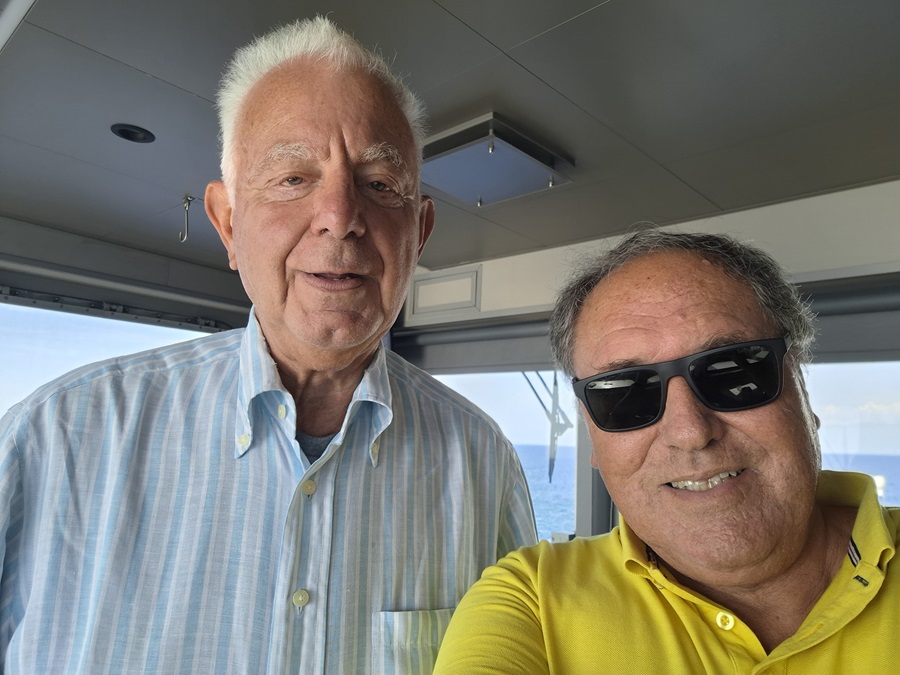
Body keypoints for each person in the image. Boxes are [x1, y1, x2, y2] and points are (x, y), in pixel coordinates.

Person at [0, 17, 536, 674]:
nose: (340, 216)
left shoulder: (485, 465)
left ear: (418, 234)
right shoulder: (53, 438)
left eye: (379, 183)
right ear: (228, 223)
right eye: (292, 178)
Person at [434, 229, 900, 674]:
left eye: (733, 372)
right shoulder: (530, 601)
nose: (690, 432)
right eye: (624, 393)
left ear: (800, 386)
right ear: (591, 434)